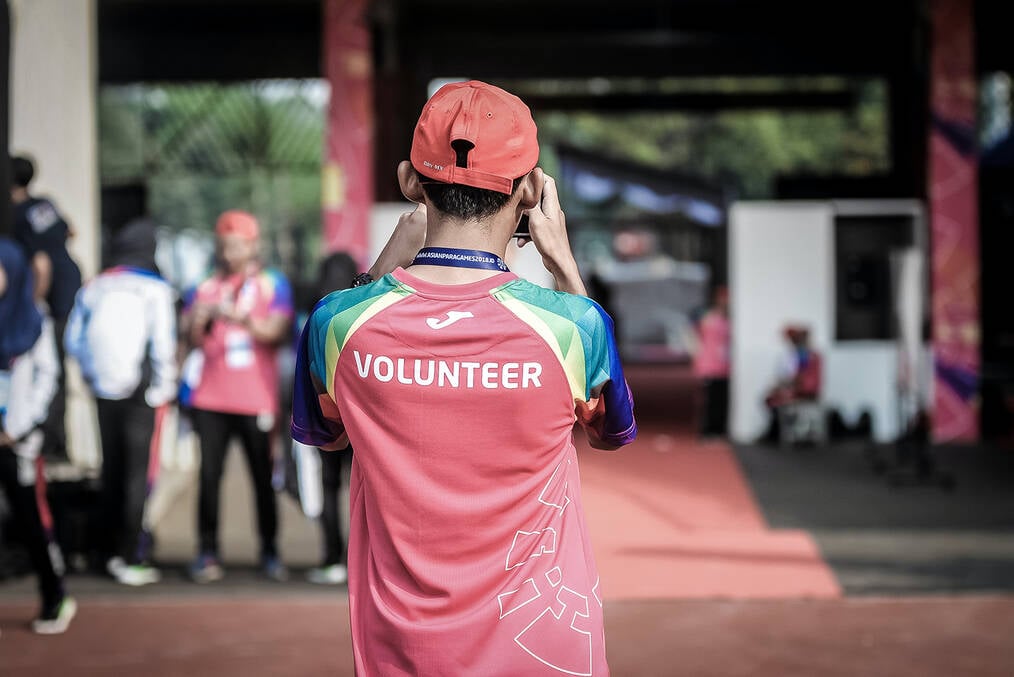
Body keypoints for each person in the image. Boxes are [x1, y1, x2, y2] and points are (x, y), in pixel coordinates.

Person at [292, 81, 637, 675]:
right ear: (531, 191)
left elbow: (330, 435)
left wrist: (380, 271)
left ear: (408, 181)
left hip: (403, 653)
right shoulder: (573, 325)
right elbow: (610, 432)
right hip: (543, 647)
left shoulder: (338, 322)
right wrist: (565, 268)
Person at [64, 217, 177, 586]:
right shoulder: (155, 289)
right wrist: (162, 389)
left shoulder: (95, 286)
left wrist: (91, 377)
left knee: (110, 470)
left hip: (103, 393)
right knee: (136, 476)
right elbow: (163, 345)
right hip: (141, 396)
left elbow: (73, 340)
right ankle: (130, 556)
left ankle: (104, 552)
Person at [182, 210, 293, 583]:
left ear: (252, 245)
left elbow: (276, 331)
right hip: (210, 398)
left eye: (237, 245)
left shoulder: (270, 284)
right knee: (209, 477)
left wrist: (240, 317)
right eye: (225, 245)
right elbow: (190, 336)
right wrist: (199, 318)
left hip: (255, 398)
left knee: (263, 478)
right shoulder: (204, 284)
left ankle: (270, 551)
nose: (230, 252)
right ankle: (207, 550)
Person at [0, 239, 77, 634]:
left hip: (19, 441)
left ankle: (54, 596)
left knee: (32, 519)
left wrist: (19, 427)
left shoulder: (34, 321)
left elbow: (47, 377)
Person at [10, 156, 83, 462]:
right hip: (71, 288)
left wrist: (34, 305)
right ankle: (57, 440)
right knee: (58, 370)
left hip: (53, 297)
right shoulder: (43, 204)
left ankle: (51, 441)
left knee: (48, 369)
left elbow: (42, 265)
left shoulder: (16, 214)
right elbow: (70, 231)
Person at [762, 324, 822, 442]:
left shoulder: (806, 354)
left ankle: (779, 432)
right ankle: (777, 430)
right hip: (801, 389)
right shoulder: (805, 353)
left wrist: (784, 386)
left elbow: (800, 378)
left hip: (805, 392)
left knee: (775, 398)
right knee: (771, 398)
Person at [693, 286, 730, 437]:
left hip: (723, 366)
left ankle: (717, 429)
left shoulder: (724, 320)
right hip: (709, 365)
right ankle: (707, 430)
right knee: (709, 400)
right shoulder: (709, 318)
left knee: (719, 399)